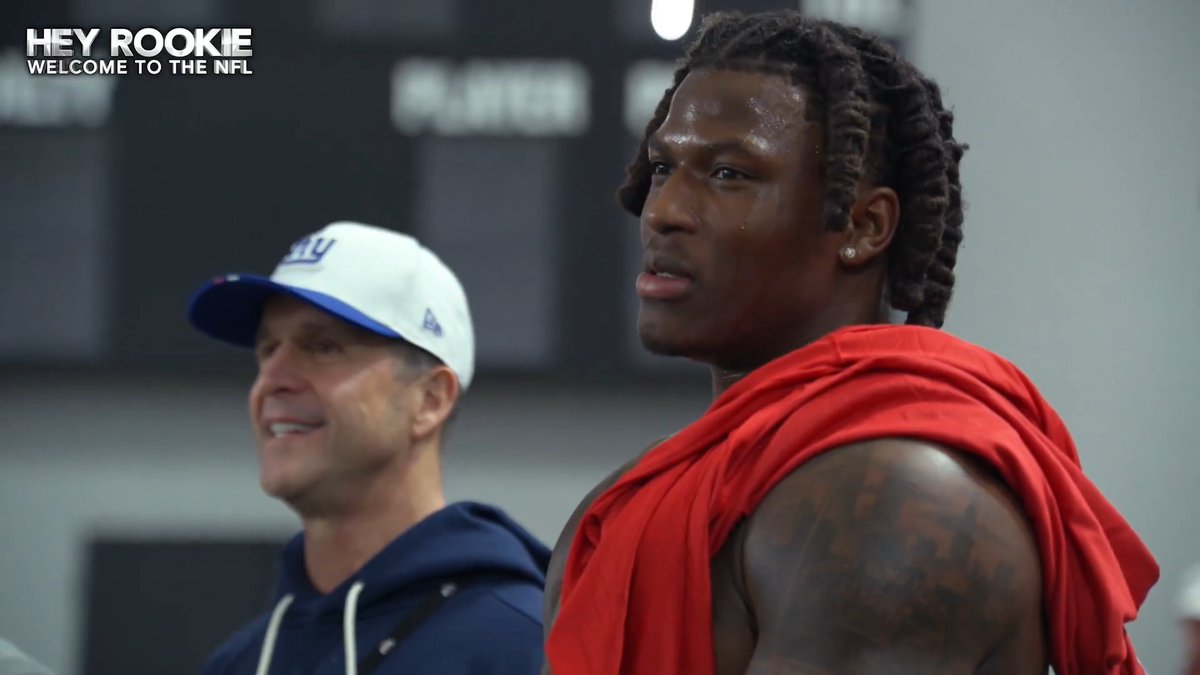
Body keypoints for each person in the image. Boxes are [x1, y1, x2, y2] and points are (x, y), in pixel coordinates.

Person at [543, 10, 1158, 675]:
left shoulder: (896, 501)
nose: (662, 211)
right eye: (664, 168)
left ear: (865, 225)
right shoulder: (633, 497)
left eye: (729, 174)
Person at [188, 221, 550, 674]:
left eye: (324, 347)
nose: (271, 381)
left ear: (429, 400)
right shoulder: (236, 663)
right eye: (267, 350)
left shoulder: (527, 647)